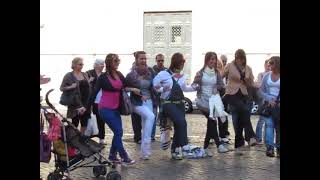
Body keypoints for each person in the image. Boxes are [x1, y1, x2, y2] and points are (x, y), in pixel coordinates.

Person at [90, 53, 135, 165]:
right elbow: (94, 92)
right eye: (115, 61)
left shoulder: (119, 74)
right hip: (105, 108)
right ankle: (124, 157)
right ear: (109, 62)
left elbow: (125, 85)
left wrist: (135, 89)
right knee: (118, 132)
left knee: (118, 133)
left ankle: (112, 156)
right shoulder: (103, 77)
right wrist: (86, 107)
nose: (117, 62)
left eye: (118, 60)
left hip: (116, 109)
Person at [153, 52, 197, 160]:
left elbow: (184, 88)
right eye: (182, 62)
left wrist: (195, 87)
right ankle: (185, 148)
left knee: (179, 126)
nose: (183, 64)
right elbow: (154, 86)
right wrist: (163, 89)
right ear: (177, 62)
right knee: (182, 122)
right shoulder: (163, 74)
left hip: (180, 104)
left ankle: (175, 150)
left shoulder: (182, 75)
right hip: (168, 103)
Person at [193, 52, 230, 157]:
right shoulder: (201, 72)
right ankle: (219, 145)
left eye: (214, 59)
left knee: (211, 123)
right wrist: (195, 85)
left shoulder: (216, 72)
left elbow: (221, 85)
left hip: (214, 101)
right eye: (211, 59)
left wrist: (216, 87)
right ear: (206, 60)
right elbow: (194, 83)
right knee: (212, 121)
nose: (213, 61)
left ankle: (205, 147)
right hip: (203, 101)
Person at [222, 49, 257, 154]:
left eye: (241, 58)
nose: (238, 60)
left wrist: (248, 81)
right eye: (237, 57)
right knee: (244, 112)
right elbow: (221, 76)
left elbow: (251, 83)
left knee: (239, 120)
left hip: (243, 95)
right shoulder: (230, 65)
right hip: (231, 94)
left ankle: (239, 145)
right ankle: (251, 136)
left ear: (244, 58)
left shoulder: (248, 68)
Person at [125, 51, 156, 160]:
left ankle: (144, 153)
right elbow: (123, 88)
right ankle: (146, 145)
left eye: (145, 59)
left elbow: (155, 85)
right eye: (141, 59)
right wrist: (133, 89)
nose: (143, 60)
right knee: (151, 116)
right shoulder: (131, 75)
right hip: (136, 103)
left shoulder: (150, 72)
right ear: (136, 60)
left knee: (146, 125)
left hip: (149, 101)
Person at [60, 57, 91, 134]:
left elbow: (88, 87)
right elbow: (62, 88)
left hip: (86, 103)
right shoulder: (69, 75)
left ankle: (81, 138)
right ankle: (74, 140)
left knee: (84, 123)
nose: (82, 66)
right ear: (74, 65)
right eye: (80, 64)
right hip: (75, 103)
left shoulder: (85, 74)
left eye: (82, 64)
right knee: (75, 123)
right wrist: (71, 86)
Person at [259, 56, 280, 157]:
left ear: (277, 64)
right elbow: (261, 91)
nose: (269, 65)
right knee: (269, 125)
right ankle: (270, 148)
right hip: (268, 104)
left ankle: (279, 148)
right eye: (269, 63)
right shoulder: (266, 76)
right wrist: (269, 99)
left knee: (278, 127)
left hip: (279, 105)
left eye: (271, 63)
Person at [86, 59, 106, 145]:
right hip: (90, 99)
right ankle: (87, 137)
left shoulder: (104, 75)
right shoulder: (88, 73)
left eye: (103, 64)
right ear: (96, 65)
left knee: (101, 119)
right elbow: (82, 84)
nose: (103, 66)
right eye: (101, 64)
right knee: (88, 118)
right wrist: (89, 81)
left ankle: (101, 138)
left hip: (101, 100)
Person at [152, 53, 168, 141]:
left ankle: (164, 136)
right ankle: (151, 136)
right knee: (153, 117)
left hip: (163, 97)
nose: (161, 62)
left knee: (163, 117)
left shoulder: (167, 71)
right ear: (156, 61)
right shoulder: (151, 70)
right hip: (154, 97)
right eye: (159, 61)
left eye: (162, 60)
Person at [254, 59, 271, 144]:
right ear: (264, 65)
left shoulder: (273, 75)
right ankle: (258, 138)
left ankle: (266, 139)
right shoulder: (261, 74)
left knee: (269, 121)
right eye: (267, 65)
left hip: (271, 101)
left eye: (270, 65)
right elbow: (259, 85)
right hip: (263, 101)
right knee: (262, 120)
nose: (269, 66)